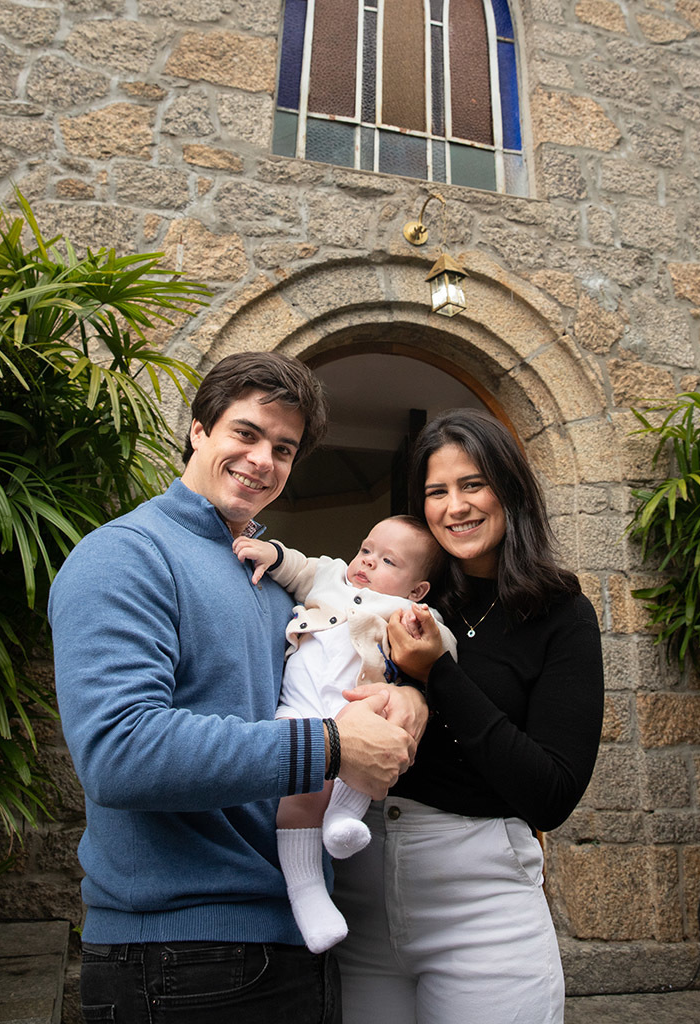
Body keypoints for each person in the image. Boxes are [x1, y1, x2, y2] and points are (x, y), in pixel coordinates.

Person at [49, 351, 428, 1024]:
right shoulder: (125, 555)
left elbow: (335, 671)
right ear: (199, 430)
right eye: (246, 434)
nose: (263, 460)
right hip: (178, 956)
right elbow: (118, 753)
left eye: (283, 449)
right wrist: (333, 747)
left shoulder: (268, 575)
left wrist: (409, 693)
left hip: (291, 939)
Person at [332, 409, 605, 1024]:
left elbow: (551, 794)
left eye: (472, 484)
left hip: (482, 906)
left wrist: (440, 676)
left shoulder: (560, 614)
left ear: (509, 487)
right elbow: (323, 592)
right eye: (436, 491)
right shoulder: (406, 594)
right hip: (360, 895)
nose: (455, 506)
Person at [234, 516, 457, 953]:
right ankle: (307, 892)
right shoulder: (331, 575)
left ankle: (343, 818)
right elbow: (298, 567)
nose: (367, 563)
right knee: (303, 782)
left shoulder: (407, 613)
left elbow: (445, 650)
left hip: (357, 709)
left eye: (387, 560)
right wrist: (272, 553)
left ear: (417, 591)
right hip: (298, 710)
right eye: (366, 549)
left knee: (383, 732)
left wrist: (429, 637)